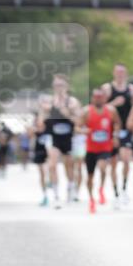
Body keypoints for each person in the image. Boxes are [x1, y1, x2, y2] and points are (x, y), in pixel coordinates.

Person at [79, 88, 120, 214]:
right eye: (96, 97)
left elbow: (117, 123)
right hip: (91, 148)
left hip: (105, 147)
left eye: (101, 97)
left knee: (103, 167)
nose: (98, 99)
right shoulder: (86, 111)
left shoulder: (111, 111)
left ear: (104, 98)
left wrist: (115, 135)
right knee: (90, 176)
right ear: (93, 98)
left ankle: (101, 189)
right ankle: (91, 199)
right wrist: (84, 130)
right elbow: (77, 126)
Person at [43, 74, 82, 209]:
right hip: (53, 136)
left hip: (68, 137)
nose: (58, 88)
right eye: (56, 85)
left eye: (61, 85)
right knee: (52, 165)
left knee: (69, 165)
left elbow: (79, 120)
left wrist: (68, 114)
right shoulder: (49, 102)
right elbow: (41, 119)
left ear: (67, 86)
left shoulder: (72, 102)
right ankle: (55, 194)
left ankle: (70, 188)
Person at [102, 63, 133, 204]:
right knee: (113, 163)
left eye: (123, 72)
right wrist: (114, 103)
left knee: (126, 159)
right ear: (114, 73)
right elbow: (99, 108)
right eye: (118, 72)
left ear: (126, 74)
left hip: (126, 130)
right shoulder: (107, 88)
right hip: (111, 130)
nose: (120, 75)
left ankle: (124, 188)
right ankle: (116, 192)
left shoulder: (131, 89)